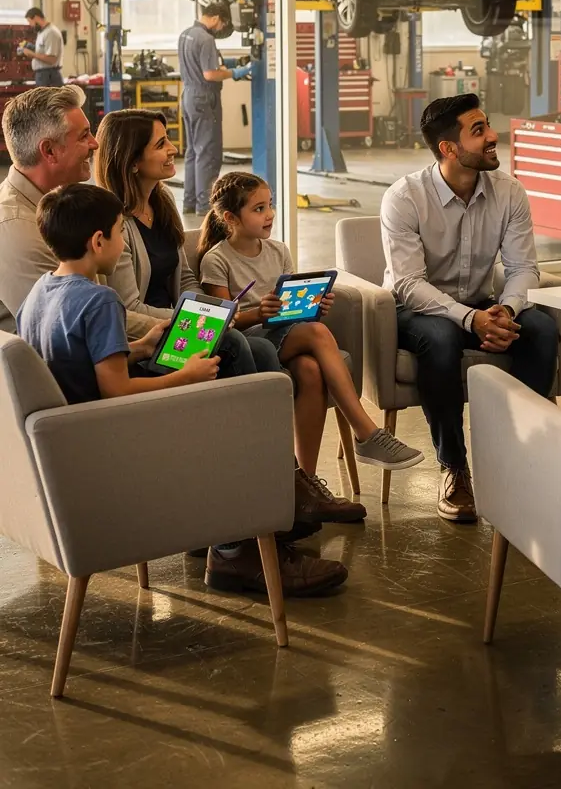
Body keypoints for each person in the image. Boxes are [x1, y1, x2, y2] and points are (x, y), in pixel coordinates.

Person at [17, 183, 347, 599]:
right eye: (120, 232)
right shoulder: (99, 300)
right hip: (116, 436)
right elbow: (117, 389)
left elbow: (78, 362)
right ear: (98, 240)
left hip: (78, 439)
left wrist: (139, 346)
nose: (122, 244)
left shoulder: (40, 293)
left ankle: (265, 511)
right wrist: (186, 375)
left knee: (232, 347)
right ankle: (240, 543)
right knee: (236, 399)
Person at [198, 172, 424, 522]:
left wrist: (312, 304)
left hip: (285, 334)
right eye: (259, 208)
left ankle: (305, 483)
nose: (269, 213)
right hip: (250, 342)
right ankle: (366, 431)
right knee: (317, 334)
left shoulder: (279, 250)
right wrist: (258, 312)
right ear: (229, 218)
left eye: (270, 204)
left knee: (311, 369)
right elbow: (223, 322)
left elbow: (290, 311)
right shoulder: (217, 259)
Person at [380, 94, 559, 524]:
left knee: (543, 330)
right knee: (440, 339)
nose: (493, 136)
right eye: (478, 131)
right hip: (416, 311)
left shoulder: (509, 192)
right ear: (448, 148)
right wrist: (468, 319)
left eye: (487, 125)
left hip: (483, 305)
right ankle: (454, 469)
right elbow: (407, 283)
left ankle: (522, 460)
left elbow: (522, 268)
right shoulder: (404, 198)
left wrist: (507, 312)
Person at [94, 109, 267, 383]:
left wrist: (210, 310)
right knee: (234, 343)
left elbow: (185, 276)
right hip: (146, 336)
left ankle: (261, 424)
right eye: (161, 144)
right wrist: (198, 319)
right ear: (133, 160)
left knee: (264, 349)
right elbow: (130, 308)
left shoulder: (162, 203)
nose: (173, 149)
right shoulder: (114, 223)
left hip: (180, 324)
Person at [0, 85, 154, 339]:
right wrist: (183, 326)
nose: (95, 144)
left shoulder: (64, 204)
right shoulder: (16, 228)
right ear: (49, 150)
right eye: (84, 136)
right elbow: (78, 320)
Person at [178, 2, 252, 217]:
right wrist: (237, 72)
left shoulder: (186, 34)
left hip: (189, 96)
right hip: (204, 98)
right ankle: (205, 205)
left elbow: (200, 64)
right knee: (208, 153)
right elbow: (210, 74)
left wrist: (228, 63)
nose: (221, 29)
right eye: (223, 24)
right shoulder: (206, 38)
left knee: (193, 151)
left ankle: (190, 202)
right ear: (216, 18)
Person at [20, 7, 64, 86]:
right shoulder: (42, 32)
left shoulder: (51, 33)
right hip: (43, 75)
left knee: (47, 98)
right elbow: (43, 50)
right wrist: (30, 47)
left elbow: (51, 59)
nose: (30, 25)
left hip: (49, 76)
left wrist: (32, 54)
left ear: (36, 18)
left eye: (30, 22)